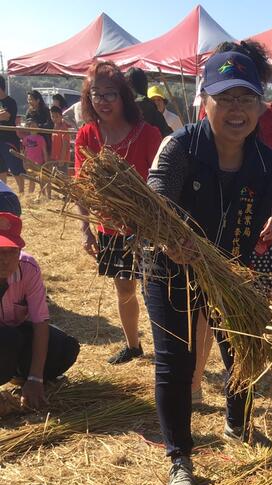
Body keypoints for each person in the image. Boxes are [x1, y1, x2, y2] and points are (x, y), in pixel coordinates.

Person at [146, 50, 272, 485]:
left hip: (233, 276)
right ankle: (180, 457)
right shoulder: (180, 149)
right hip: (171, 270)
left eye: (246, 99)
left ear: (261, 107)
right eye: (224, 97)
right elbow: (152, 208)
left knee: (243, 352)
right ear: (204, 103)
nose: (236, 109)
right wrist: (167, 240)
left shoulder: (268, 165)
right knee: (175, 362)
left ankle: (239, 422)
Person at [189, 38, 272, 405]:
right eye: (226, 95)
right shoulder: (211, 112)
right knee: (210, 308)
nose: (235, 106)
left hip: (271, 232)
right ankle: (194, 385)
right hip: (223, 232)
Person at [75, 61, 162, 365]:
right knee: (124, 286)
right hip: (110, 228)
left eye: (109, 94)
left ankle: (165, 350)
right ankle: (133, 345)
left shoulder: (148, 134)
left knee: (156, 291)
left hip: (148, 228)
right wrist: (86, 229)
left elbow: (161, 186)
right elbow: (82, 186)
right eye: (96, 94)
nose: (102, 101)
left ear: (124, 96)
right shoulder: (87, 136)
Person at [0, 213, 79, 409]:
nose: (4, 259)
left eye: (11, 250)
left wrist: (35, 378)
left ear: (19, 251)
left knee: (65, 347)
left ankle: (22, 376)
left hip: (16, 332)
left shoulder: (28, 268)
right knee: (8, 340)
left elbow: (40, 321)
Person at [125, 68, 172, 138]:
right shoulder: (150, 108)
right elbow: (168, 137)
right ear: (145, 85)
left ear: (129, 85)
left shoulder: (127, 107)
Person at [0, 76, 25, 194]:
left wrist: (2, 114)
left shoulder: (10, 102)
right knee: (1, 169)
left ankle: (21, 192)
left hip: (9, 140)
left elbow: (6, 116)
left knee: (15, 167)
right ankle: (3, 192)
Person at [20, 121, 48, 194]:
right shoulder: (26, 139)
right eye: (32, 126)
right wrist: (24, 161)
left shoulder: (41, 138)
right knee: (31, 179)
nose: (33, 127)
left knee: (41, 179)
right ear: (28, 128)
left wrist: (46, 161)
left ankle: (43, 194)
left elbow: (44, 150)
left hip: (39, 162)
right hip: (29, 162)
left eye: (35, 126)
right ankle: (30, 194)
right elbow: (25, 151)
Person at [25, 91, 54, 156]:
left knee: (45, 163)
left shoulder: (45, 110)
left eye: (31, 99)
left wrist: (37, 126)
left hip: (44, 140)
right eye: (28, 99)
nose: (29, 101)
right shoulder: (29, 112)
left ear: (38, 100)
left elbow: (50, 125)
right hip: (32, 142)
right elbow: (27, 125)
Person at [50, 106, 71, 171]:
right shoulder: (53, 127)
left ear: (61, 116)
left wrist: (62, 159)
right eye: (53, 116)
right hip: (54, 158)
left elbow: (65, 145)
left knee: (62, 178)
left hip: (62, 159)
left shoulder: (64, 128)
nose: (54, 119)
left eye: (57, 116)